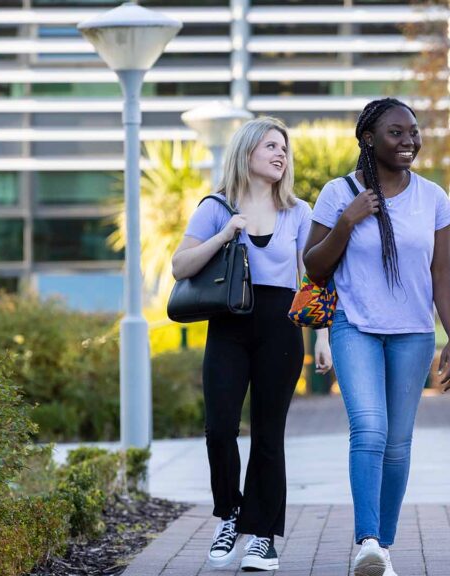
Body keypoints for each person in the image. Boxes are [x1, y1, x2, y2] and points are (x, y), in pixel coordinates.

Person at [303, 97, 450, 576]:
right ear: (369, 139)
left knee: (398, 443)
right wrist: (348, 221)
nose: (409, 140)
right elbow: (312, 265)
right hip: (355, 326)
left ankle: (382, 550)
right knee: (369, 429)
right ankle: (366, 539)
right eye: (397, 132)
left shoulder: (433, 198)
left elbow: (441, 275)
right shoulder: (338, 192)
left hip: (413, 333)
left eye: (413, 131)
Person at [171, 117, 332, 572]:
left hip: (280, 326)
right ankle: (230, 513)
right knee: (219, 428)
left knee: (268, 433)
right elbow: (180, 265)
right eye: (270, 146)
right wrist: (225, 234)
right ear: (246, 153)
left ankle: (263, 537)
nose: (281, 154)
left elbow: (312, 278)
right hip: (229, 324)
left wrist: (322, 336)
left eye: (284, 147)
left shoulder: (298, 212)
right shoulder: (216, 207)